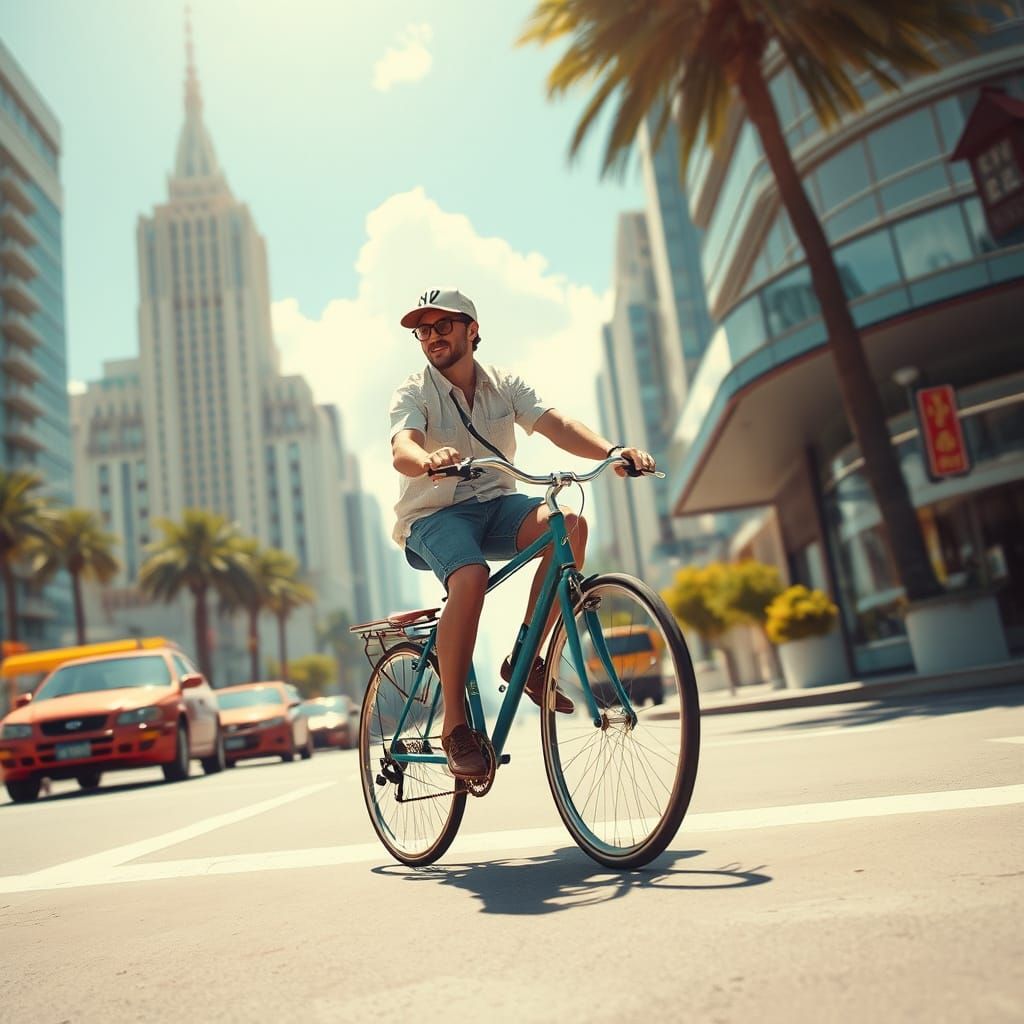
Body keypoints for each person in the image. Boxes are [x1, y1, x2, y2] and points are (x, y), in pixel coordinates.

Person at [389, 287, 655, 779]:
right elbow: (403, 445)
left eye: (442, 325)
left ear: (472, 330)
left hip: (495, 507)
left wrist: (612, 452)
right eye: (422, 330)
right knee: (468, 577)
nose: (431, 336)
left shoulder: (504, 384)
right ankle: (454, 728)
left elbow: (556, 424)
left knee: (569, 526)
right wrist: (428, 461)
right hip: (433, 516)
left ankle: (526, 658)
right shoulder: (414, 391)